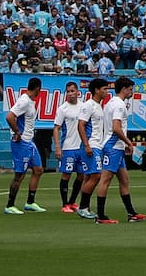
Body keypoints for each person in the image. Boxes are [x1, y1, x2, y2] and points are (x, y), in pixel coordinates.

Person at [94, 76, 146, 224]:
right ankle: (100, 216)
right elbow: (116, 128)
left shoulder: (111, 102)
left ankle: (131, 213)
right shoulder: (119, 105)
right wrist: (128, 143)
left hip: (114, 145)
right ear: (124, 89)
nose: (132, 92)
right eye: (130, 89)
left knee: (124, 180)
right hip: (113, 146)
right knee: (105, 180)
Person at [5, 76, 47, 214]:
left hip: (30, 142)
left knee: (38, 169)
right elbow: (10, 116)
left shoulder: (30, 101)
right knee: (19, 175)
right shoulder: (24, 101)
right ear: (38, 89)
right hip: (21, 142)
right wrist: (17, 132)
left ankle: (30, 202)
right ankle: (9, 205)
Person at [75, 78, 109, 220]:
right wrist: (87, 145)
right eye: (104, 89)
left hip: (97, 145)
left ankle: (85, 207)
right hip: (91, 145)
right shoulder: (88, 105)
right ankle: (83, 207)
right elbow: (81, 125)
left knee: (89, 176)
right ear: (96, 90)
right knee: (96, 176)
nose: (107, 92)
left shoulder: (98, 106)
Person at [53, 80, 86, 212]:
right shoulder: (63, 109)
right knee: (66, 175)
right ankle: (64, 204)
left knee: (81, 175)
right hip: (68, 147)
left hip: (81, 147)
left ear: (78, 92)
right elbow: (56, 128)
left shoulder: (84, 107)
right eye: (68, 92)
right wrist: (57, 147)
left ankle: (72, 202)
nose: (70, 94)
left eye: (72, 91)